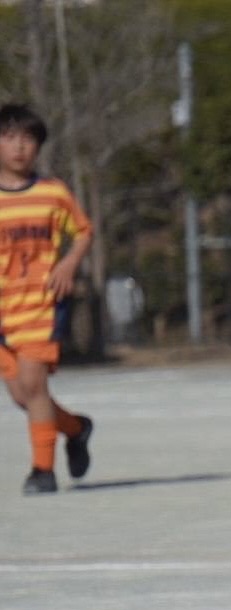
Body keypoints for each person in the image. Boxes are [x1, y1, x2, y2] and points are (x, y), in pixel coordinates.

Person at [0, 103, 95, 495]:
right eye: (9, 138)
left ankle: (43, 471)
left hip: (42, 303)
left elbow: (84, 230)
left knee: (33, 383)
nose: (19, 147)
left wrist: (70, 262)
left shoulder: (53, 192)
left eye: (28, 139)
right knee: (23, 395)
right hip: (4, 309)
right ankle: (75, 428)